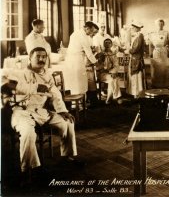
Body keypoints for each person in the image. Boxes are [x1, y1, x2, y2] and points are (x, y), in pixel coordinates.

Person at [1, 47, 83, 176]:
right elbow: (4, 82)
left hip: (40, 111)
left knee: (68, 122)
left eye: (44, 57)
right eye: (38, 56)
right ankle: (28, 169)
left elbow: (55, 94)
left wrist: (62, 110)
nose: (41, 59)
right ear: (30, 58)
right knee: (28, 133)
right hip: (21, 112)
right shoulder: (19, 73)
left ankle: (67, 157)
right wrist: (33, 87)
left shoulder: (47, 75)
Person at [64, 21, 99, 98]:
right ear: (87, 28)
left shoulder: (76, 32)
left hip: (72, 60)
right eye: (92, 31)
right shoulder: (82, 36)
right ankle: (79, 101)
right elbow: (89, 53)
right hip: (76, 60)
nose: (92, 33)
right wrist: (96, 63)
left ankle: (79, 101)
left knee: (74, 82)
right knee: (79, 82)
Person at [95, 38, 122, 104]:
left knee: (113, 79)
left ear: (111, 44)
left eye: (109, 43)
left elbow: (116, 66)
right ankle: (117, 97)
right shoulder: (100, 54)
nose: (107, 44)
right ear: (104, 44)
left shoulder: (113, 54)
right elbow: (97, 66)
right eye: (106, 43)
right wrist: (102, 67)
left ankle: (109, 98)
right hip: (101, 74)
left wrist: (112, 72)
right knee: (113, 79)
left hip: (110, 73)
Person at [148, 18, 169, 88]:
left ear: (163, 25)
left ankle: (164, 85)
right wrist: (150, 53)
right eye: (159, 24)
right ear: (156, 25)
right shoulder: (153, 33)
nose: (160, 26)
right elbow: (150, 44)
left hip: (164, 52)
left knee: (164, 68)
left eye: (161, 24)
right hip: (156, 52)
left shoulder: (166, 33)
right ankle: (156, 84)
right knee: (156, 69)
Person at [127, 21, 145, 98]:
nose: (133, 28)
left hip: (136, 58)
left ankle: (137, 93)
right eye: (133, 27)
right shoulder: (136, 36)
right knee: (134, 75)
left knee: (136, 75)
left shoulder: (140, 36)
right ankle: (135, 92)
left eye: (134, 27)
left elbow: (135, 49)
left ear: (138, 28)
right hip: (135, 58)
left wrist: (128, 50)